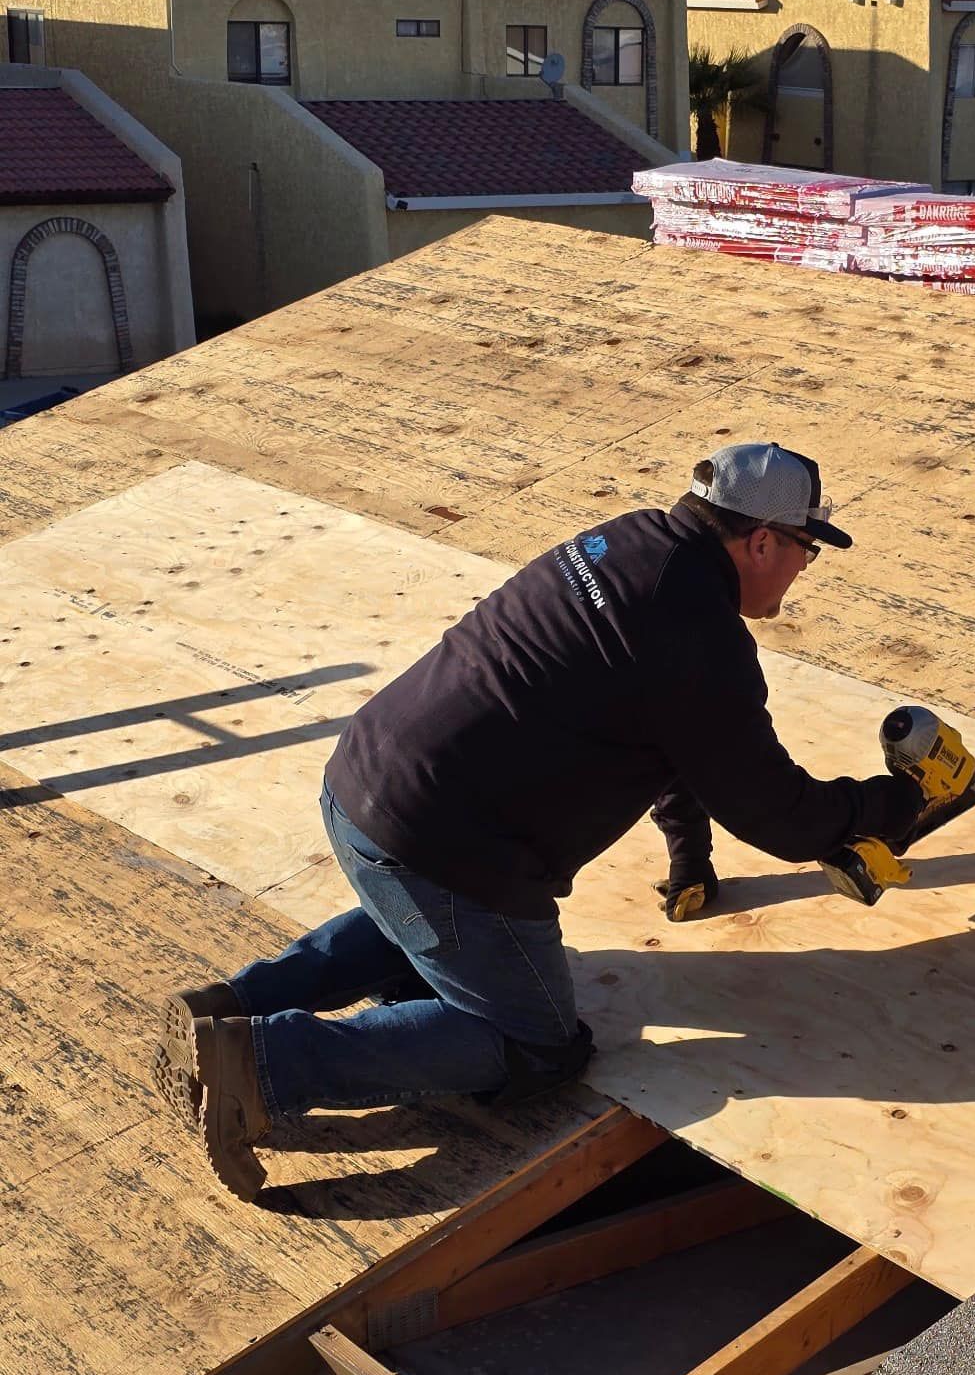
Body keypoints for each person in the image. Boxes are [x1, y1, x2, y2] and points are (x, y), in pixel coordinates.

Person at [157, 443, 930, 1199]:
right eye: (807, 549)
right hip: (445, 849)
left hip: (365, 787)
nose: (804, 568)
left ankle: (227, 1008)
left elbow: (668, 736)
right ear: (763, 540)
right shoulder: (698, 635)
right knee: (535, 1044)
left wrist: (689, 856)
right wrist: (900, 803)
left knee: (419, 923)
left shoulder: (627, 544)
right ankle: (264, 1066)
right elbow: (780, 815)